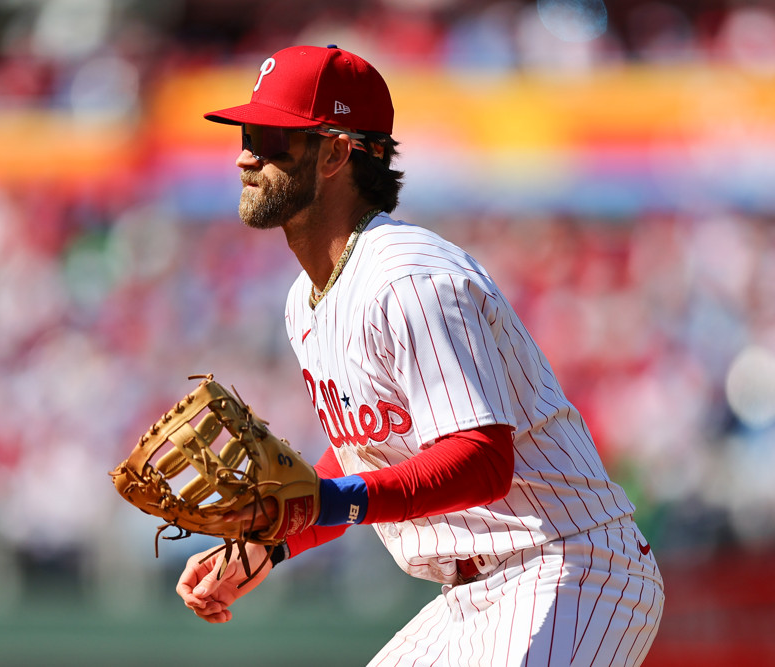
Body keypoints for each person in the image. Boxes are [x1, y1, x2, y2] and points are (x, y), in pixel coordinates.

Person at [175, 44, 664, 667]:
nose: (246, 153)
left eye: (272, 137)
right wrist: (272, 539)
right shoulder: (307, 300)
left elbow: (483, 461)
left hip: (568, 566)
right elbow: (366, 452)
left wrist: (335, 501)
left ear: (335, 152)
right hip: (469, 596)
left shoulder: (410, 276)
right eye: (247, 132)